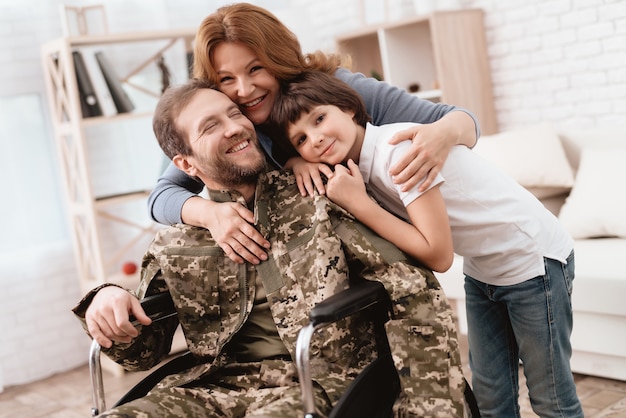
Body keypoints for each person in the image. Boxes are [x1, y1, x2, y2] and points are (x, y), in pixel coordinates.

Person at [74, 80, 469, 417]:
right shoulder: (176, 242)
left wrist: (427, 403)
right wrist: (107, 302)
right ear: (186, 164)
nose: (235, 127)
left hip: (317, 379)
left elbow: (412, 289)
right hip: (211, 387)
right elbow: (145, 351)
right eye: (212, 125)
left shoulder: (318, 197)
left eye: (235, 114)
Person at [267, 70, 584, 418]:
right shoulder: (355, 169)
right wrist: (295, 163)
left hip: (531, 259)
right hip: (484, 268)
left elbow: (438, 254)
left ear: (350, 108)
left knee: (550, 400)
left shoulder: (395, 153)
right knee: (491, 400)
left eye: (320, 118)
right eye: (300, 139)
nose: (315, 138)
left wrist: (360, 205)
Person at [147, 2, 480, 267]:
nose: (244, 91)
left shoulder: (334, 91)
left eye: (256, 68)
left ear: (277, 59)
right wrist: (211, 214)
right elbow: (162, 196)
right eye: (226, 79)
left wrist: (440, 136)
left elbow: (460, 119)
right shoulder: (233, 130)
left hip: (393, 253)